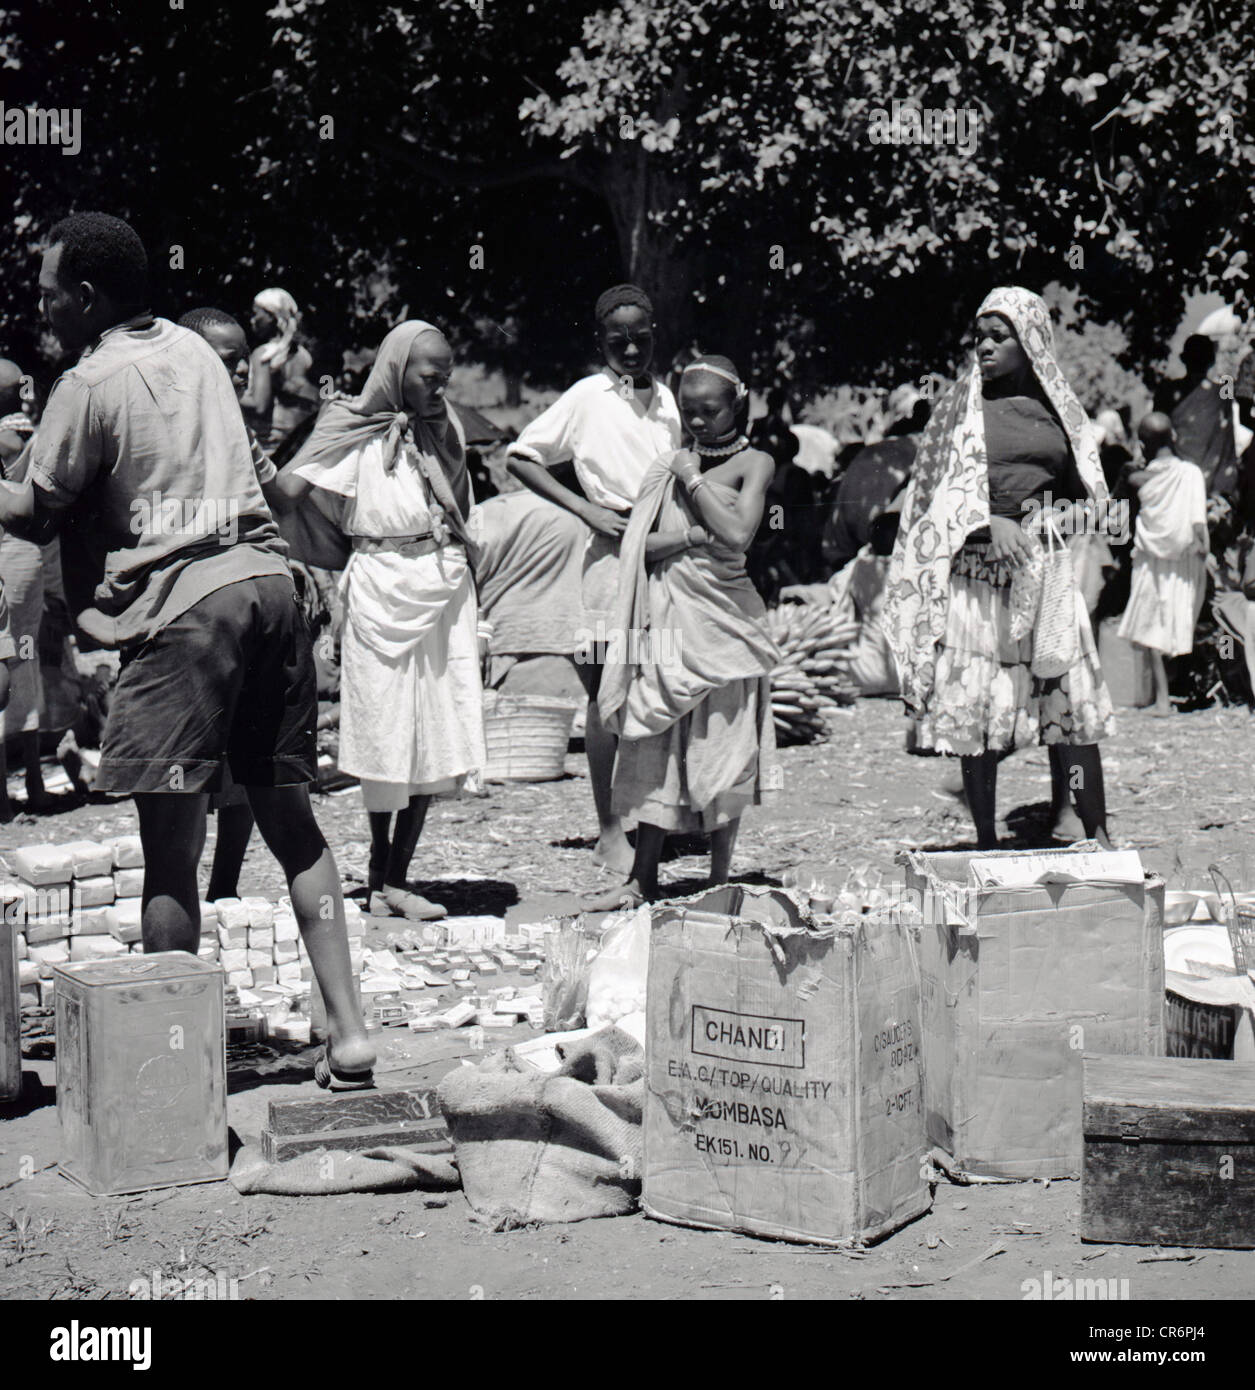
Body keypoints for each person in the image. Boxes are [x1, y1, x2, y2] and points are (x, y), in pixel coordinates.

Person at [0, 212, 373, 1088]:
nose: (41, 306)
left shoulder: (84, 385)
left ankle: (177, 1071)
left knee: (171, 848)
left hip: (186, 613)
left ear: (85, 295)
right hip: (270, 593)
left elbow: (32, 512)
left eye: (49, 291)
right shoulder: (194, 350)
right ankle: (351, 1035)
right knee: (292, 823)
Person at [885, 286, 1115, 851]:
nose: (983, 347)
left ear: (1030, 339)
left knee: (1071, 704)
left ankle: (1100, 833)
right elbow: (930, 498)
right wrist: (990, 521)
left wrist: (1058, 511)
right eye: (980, 337)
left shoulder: (1060, 413)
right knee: (980, 713)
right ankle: (987, 840)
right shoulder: (956, 414)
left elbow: (1088, 495)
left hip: (1046, 577)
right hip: (977, 580)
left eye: (999, 336)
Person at [278, 320, 484, 922]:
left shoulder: (447, 429)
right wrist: (315, 433)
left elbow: (461, 508)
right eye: (430, 377)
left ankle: (398, 877)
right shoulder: (354, 430)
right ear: (398, 371)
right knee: (384, 727)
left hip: (441, 584)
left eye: (447, 378)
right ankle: (375, 868)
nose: (440, 389)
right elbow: (289, 491)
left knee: (433, 730)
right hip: (376, 585)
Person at [587, 356, 779, 908]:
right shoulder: (664, 468)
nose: (697, 422)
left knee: (723, 748)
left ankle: (719, 880)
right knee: (655, 747)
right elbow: (636, 546)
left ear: (737, 406)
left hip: (725, 625)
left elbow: (740, 533)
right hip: (671, 623)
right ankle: (642, 879)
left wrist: (692, 480)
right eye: (688, 412)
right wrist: (690, 537)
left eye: (709, 412)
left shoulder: (753, 464)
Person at [506, 284, 682, 876]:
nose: (631, 351)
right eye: (618, 341)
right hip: (612, 562)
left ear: (655, 332)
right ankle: (610, 828)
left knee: (658, 686)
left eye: (641, 338)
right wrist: (585, 508)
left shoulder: (668, 400)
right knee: (608, 694)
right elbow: (521, 456)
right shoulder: (586, 397)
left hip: (664, 562)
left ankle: (655, 820)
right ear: (599, 341)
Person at [179, 306, 288, 897]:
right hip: (191, 607)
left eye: (247, 357)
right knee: (192, 766)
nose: (244, 369)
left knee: (244, 758)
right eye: (230, 361)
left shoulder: (242, 432)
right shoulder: (170, 428)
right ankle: (181, 890)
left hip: (248, 601)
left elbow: (276, 498)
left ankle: (223, 887)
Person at [1117, 413, 1208, 715]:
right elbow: (1198, 524)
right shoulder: (1191, 474)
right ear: (1175, 438)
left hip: (1149, 559)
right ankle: (1192, 688)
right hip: (1184, 560)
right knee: (1180, 618)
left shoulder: (1137, 478)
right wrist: (1205, 551)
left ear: (1142, 444)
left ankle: (1163, 699)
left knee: (1153, 624)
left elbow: (1117, 516)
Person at [1154, 334, 1238, 499]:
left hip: (1172, 479)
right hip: (1208, 481)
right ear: (1212, 360)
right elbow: (1227, 443)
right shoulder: (1223, 393)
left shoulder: (1167, 390)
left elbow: (1155, 436)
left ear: (1183, 359)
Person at [241, 287, 319, 450]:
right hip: (300, 440)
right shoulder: (303, 355)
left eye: (256, 314)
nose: (252, 320)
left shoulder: (264, 354)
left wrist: (228, 393)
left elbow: (259, 405)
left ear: (272, 317)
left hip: (271, 445)